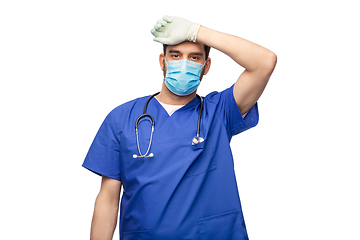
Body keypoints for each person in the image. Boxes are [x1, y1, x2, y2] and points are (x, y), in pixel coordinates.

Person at [83, 15, 277, 240]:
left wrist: (197, 31)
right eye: (175, 55)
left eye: (194, 57)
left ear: (206, 67)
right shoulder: (122, 118)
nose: (184, 63)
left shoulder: (220, 111)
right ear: (162, 62)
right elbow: (108, 199)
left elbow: (265, 62)